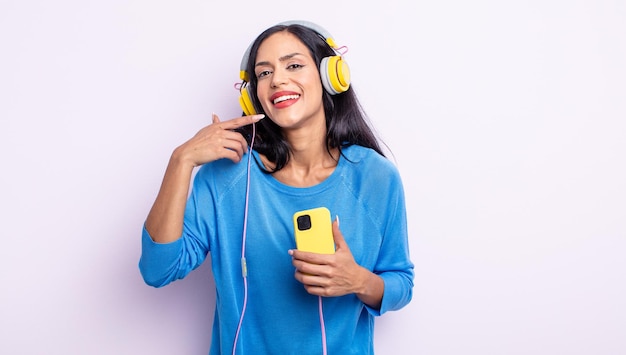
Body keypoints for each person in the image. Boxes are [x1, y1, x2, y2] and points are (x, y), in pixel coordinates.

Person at [139, 20, 414, 354]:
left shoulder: (375, 177)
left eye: (294, 65)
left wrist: (359, 280)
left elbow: (401, 280)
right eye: (264, 73)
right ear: (253, 96)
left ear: (331, 75)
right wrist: (180, 161)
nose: (278, 80)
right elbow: (158, 269)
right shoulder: (227, 175)